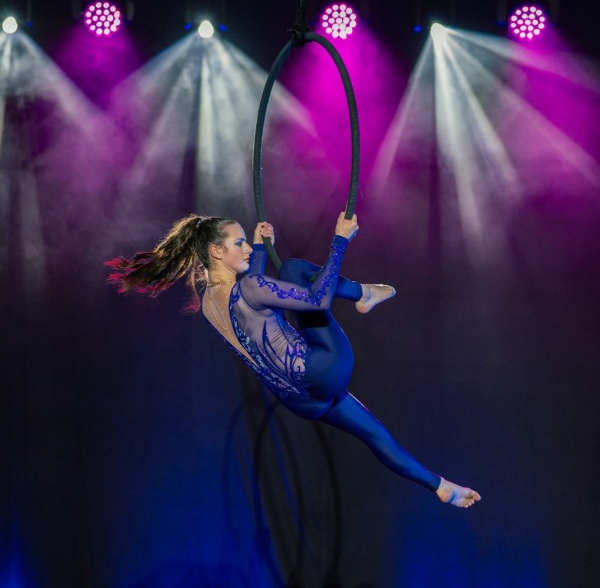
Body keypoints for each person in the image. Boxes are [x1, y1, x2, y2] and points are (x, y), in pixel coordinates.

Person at [106, 213, 481, 508]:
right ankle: (362, 294)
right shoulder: (251, 287)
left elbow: (249, 303)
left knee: (375, 434)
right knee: (295, 269)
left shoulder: (207, 305)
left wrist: (257, 246)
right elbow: (314, 300)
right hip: (325, 369)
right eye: (239, 243)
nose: (246, 249)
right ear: (217, 252)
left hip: (300, 401)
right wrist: (340, 241)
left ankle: (441, 487)